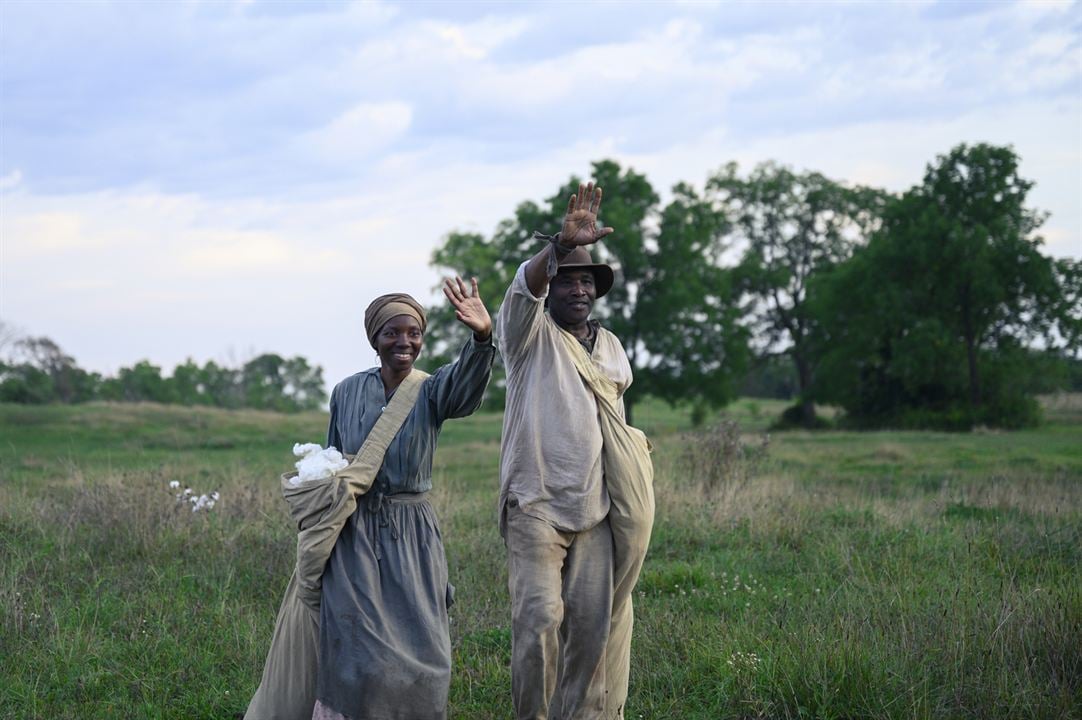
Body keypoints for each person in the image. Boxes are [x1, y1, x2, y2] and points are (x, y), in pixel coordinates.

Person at [245, 278, 495, 720]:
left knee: (426, 656)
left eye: (413, 333)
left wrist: (481, 337)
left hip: (412, 537)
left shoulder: (432, 390)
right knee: (357, 655)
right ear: (374, 339)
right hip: (354, 534)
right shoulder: (346, 392)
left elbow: (466, 388)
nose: (404, 342)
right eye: (392, 333)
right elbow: (332, 463)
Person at [496, 182, 654, 720]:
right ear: (552, 289)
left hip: (596, 513)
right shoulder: (526, 334)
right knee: (539, 623)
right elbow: (525, 286)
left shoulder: (610, 346)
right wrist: (559, 249)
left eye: (587, 281)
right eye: (568, 281)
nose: (579, 289)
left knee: (591, 635)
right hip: (536, 507)